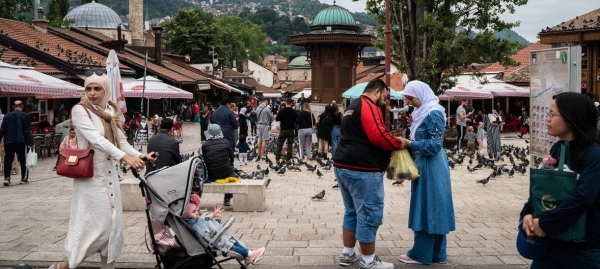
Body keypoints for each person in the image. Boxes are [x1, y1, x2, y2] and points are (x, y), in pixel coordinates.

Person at [48, 72, 155, 269]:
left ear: (106, 90)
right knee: (93, 225)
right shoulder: (80, 110)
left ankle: (108, 266)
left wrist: (141, 156)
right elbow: (96, 140)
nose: (92, 93)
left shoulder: (110, 112)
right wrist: (124, 158)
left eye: (97, 88)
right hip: (90, 177)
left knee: (112, 226)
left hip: (110, 177)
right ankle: (66, 265)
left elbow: (121, 141)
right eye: (88, 88)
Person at [519, 92, 600, 269]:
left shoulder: (594, 155)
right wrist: (527, 213)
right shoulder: (558, 148)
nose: (547, 119)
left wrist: (545, 223)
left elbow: (583, 198)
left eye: (552, 114)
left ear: (570, 119)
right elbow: (543, 188)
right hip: (551, 243)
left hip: (583, 250)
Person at [333, 79, 404, 269]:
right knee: (369, 213)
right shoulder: (369, 105)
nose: (386, 101)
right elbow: (378, 136)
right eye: (386, 97)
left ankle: (348, 254)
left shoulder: (352, 107)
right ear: (377, 92)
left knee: (352, 212)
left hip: (342, 165)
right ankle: (368, 260)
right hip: (362, 169)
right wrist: (398, 143)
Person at [398, 80, 455, 265]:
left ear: (421, 95)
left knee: (427, 207)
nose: (409, 101)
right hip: (427, 164)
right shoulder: (423, 113)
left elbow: (435, 145)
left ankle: (421, 254)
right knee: (435, 206)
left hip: (431, 165)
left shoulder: (433, 113)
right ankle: (437, 254)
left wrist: (410, 143)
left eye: (411, 97)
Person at [182, 193, 266, 265]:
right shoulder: (191, 222)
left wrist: (212, 217)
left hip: (215, 239)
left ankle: (248, 254)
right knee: (230, 245)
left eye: (197, 210)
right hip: (213, 242)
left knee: (232, 241)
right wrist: (212, 215)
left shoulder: (190, 220)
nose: (197, 213)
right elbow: (202, 221)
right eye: (194, 212)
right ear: (186, 214)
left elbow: (202, 220)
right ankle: (249, 254)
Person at [0, 100, 33, 186]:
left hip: (9, 141)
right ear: (22, 106)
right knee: (23, 159)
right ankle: (23, 178)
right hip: (21, 141)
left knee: (8, 160)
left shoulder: (6, 116)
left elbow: (2, 129)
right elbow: (27, 131)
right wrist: (30, 142)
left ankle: (7, 177)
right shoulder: (25, 116)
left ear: (13, 106)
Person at [202, 124, 236, 206]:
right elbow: (232, 157)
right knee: (232, 173)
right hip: (226, 173)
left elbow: (205, 160)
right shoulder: (226, 142)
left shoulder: (205, 145)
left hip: (211, 174)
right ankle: (227, 198)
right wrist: (230, 165)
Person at [274, 99, 297, 163]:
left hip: (283, 129)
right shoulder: (294, 112)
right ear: (291, 103)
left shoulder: (282, 111)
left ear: (286, 103)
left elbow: (277, 119)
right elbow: (296, 121)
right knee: (290, 145)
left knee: (280, 144)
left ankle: (277, 159)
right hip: (291, 130)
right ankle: (287, 159)